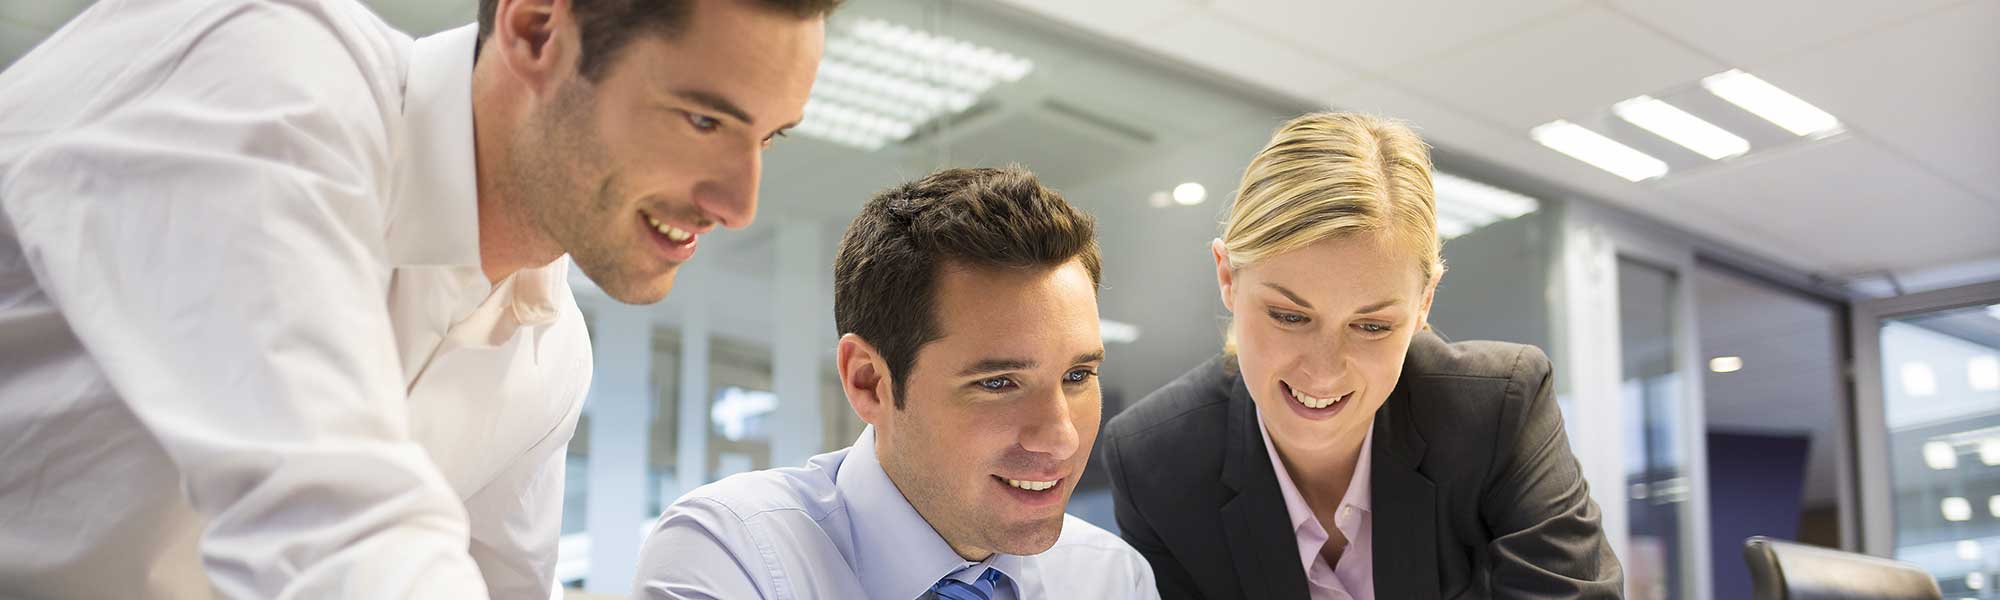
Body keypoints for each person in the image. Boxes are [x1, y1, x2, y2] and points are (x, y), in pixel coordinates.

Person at [0, 0, 831, 597]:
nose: (739, 204)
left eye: (766, 138)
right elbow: (334, 526)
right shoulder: (269, 72)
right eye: (701, 121)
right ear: (537, 27)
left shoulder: (547, 347)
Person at [1100, 112, 1623, 599]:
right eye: (1289, 316)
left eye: (1372, 325)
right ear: (1227, 278)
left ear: (1424, 303)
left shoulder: (1500, 410)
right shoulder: (1156, 461)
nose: (1324, 371)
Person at [632, 166, 1158, 599]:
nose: (1060, 436)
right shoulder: (731, 552)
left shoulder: (1110, 578)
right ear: (869, 383)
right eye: (999, 383)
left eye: (1077, 376)